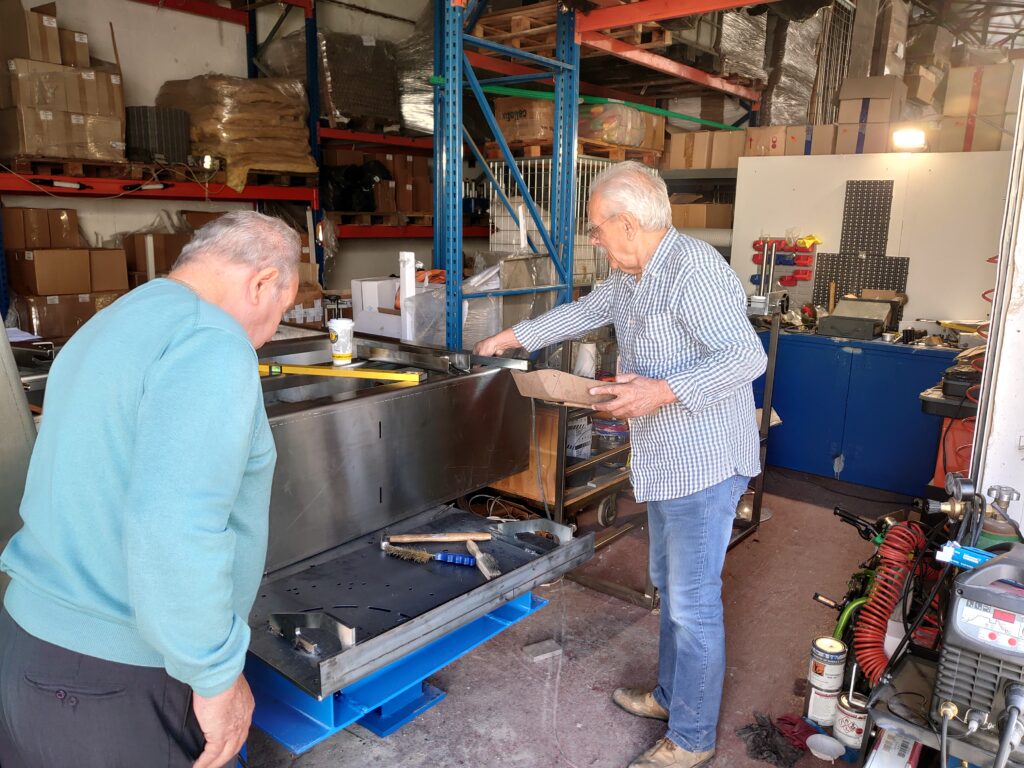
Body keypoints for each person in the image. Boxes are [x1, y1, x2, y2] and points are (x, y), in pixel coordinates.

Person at [475, 162, 767, 768]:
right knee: (672, 590)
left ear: (629, 224)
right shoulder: (631, 276)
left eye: (597, 228)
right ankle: (672, 697)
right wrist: (513, 338)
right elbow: (584, 311)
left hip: (706, 460)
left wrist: (661, 391)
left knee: (692, 603)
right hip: (666, 459)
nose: (594, 238)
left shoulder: (694, 270)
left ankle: (692, 737)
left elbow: (746, 357)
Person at [0, 211, 301, 768]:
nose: (268, 334)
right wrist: (216, 675)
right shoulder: (210, 342)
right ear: (262, 283)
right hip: (116, 681)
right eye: (280, 312)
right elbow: (176, 526)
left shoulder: (112, 321)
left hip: (27, 646)